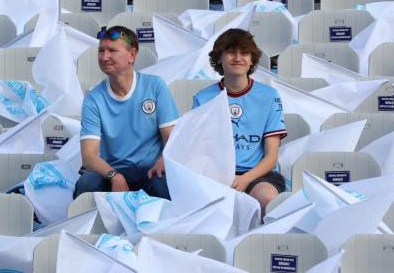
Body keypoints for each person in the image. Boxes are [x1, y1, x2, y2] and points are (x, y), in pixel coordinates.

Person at [74, 26, 179, 199]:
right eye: (101, 51)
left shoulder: (155, 86)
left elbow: (171, 138)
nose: (104, 57)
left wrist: (163, 160)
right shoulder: (93, 98)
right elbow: (89, 156)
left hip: (150, 171)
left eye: (112, 51)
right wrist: (114, 176)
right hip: (112, 171)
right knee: (87, 184)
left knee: (165, 183)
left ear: (132, 55)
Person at [193, 28, 286, 214]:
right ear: (219, 58)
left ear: (251, 60)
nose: (238, 58)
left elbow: (271, 157)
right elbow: (201, 152)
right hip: (216, 175)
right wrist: (223, 177)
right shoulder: (203, 98)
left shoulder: (269, 96)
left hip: (259, 174)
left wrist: (245, 179)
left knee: (267, 198)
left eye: (244, 53)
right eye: (231, 52)